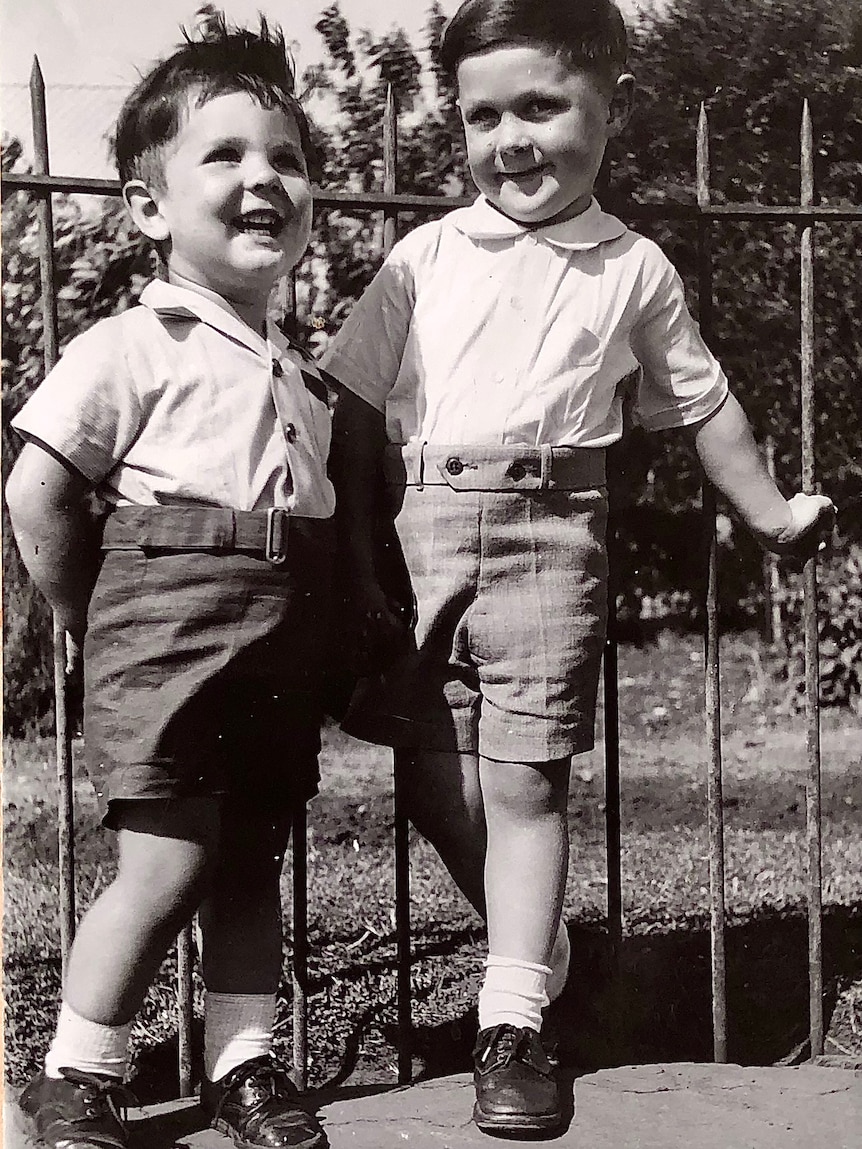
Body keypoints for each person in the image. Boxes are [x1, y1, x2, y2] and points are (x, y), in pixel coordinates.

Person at [323, 0, 836, 1135]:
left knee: (524, 776)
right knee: (432, 779)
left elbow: (704, 403)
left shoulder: (631, 267)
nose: (511, 140)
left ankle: (512, 1024)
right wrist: (353, 553)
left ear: (612, 104)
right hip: (419, 530)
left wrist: (766, 509)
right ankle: (546, 950)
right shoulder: (422, 257)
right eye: (482, 115)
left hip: (554, 534)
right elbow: (354, 412)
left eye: (541, 108)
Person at [7, 17, 332, 1149]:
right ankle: (78, 1070)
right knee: (167, 860)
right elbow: (37, 492)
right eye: (227, 156)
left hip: (275, 650)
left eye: (286, 159)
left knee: (251, 857)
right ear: (149, 211)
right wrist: (85, 612)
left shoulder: (293, 365)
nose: (264, 180)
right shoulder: (131, 345)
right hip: (166, 641)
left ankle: (246, 1065)